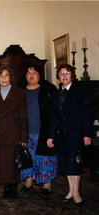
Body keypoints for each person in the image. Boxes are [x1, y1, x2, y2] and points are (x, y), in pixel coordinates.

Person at [47, 64, 92, 207]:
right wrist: (51, 136)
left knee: (75, 163)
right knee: (66, 163)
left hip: (76, 133)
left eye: (67, 73)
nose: (64, 76)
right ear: (58, 76)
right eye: (61, 74)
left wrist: (87, 134)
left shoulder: (80, 91)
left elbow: (86, 114)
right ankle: (71, 191)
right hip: (62, 135)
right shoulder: (56, 93)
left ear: (72, 74)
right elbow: (53, 117)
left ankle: (76, 193)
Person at [0, 66, 28, 199]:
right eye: (1, 75)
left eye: (6, 75)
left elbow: (23, 117)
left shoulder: (20, 93)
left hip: (13, 134)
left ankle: (13, 189)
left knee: (12, 163)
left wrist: (24, 137)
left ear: (11, 78)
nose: (4, 78)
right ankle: (6, 188)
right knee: (1, 163)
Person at [20, 64, 57, 195]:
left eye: (34, 72)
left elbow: (54, 112)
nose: (31, 75)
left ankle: (47, 184)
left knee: (44, 158)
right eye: (28, 72)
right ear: (25, 76)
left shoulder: (48, 89)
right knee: (28, 157)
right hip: (26, 133)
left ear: (39, 75)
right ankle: (28, 181)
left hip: (43, 132)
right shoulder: (20, 91)